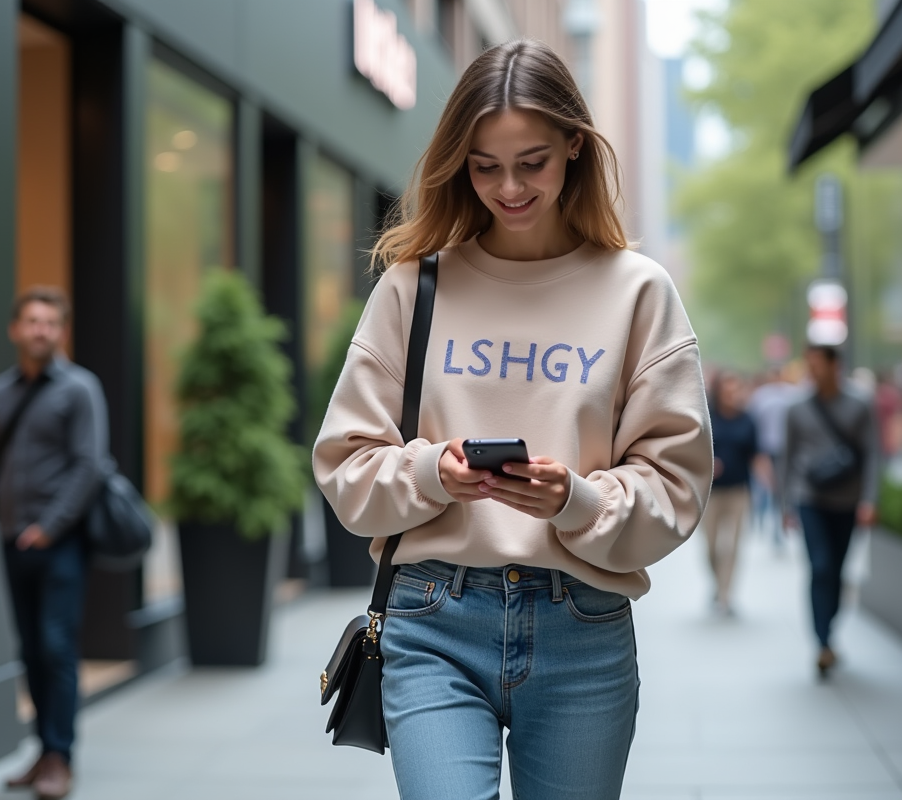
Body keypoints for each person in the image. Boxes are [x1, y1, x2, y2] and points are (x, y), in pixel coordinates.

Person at [314, 40, 713, 799]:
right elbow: (345, 464)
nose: (509, 187)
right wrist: (433, 473)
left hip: (581, 628)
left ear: (574, 145)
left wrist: (576, 500)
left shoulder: (638, 293)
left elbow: (677, 487)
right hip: (432, 620)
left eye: (532, 162)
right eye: (484, 166)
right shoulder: (413, 288)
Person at [0, 287, 109, 800]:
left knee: (56, 647)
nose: (41, 331)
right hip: (13, 542)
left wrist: (50, 526)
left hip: (62, 544)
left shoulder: (79, 389)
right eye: (33, 321)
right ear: (15, 329)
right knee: (31, 650)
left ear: (62, 331)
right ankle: (43, 750)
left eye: (50, 323)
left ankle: (60, 757)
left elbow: (89, 466)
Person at [781, 345, 877, 679]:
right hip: (810, 499)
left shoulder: (860, 405)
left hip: (847, 500)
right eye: (809, 364)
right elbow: (787, 457)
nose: (813, 371)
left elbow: (872, 455)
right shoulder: (796, 408)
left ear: (837, 366)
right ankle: (822, 642)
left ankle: (829, 629)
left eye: (818, 364)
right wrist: (785, 505)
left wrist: (869, 500)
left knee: (837, 570)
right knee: (820, 567)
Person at [703, 369, 760, 616]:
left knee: (733, 546)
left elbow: (756, 455)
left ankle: (725, 595)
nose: (732, 394)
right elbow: (692, 451)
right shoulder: (706, 417)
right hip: (710, 494)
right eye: (728, 388)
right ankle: (718, 583)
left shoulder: (748, 420)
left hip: (739, 492)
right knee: (711, 547)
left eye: (736, 389)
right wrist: (708, 465)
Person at [745, 364, 805, 546]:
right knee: (765, 486)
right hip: (766, 449)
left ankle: (778, 524)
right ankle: (762, 519)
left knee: (780, 487)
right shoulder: (762, 396)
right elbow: (752, 423)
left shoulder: (792, 394)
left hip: (785, 449)